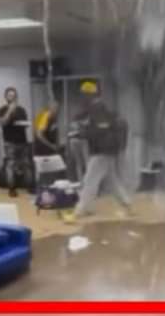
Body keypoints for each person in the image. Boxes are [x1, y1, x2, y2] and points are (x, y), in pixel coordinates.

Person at [62, 80, 132, 223]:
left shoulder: (97, 108)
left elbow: (100, 130)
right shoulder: (98, 108)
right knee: (112, 181)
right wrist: (82, 132)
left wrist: (81, 133)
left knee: (89, 180)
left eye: (83, 95)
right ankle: (127, 204)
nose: (81, 98)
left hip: (102, 151)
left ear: (89, 95)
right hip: (106, 151)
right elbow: (98, 128)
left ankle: (78, 213)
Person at [0, 87, 29, 197]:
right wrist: (9, 110)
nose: (12, 97)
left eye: (14, 95)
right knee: (10, 164)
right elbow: (2, 123)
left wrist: (25, 124)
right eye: (10, 95)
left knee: (25, 164)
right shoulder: (1, 110)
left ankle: (28, 185)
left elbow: (25, 123)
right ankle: (12, 188)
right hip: (9, 142)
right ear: (6, 97)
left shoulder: (21, 110)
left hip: (22, 140)